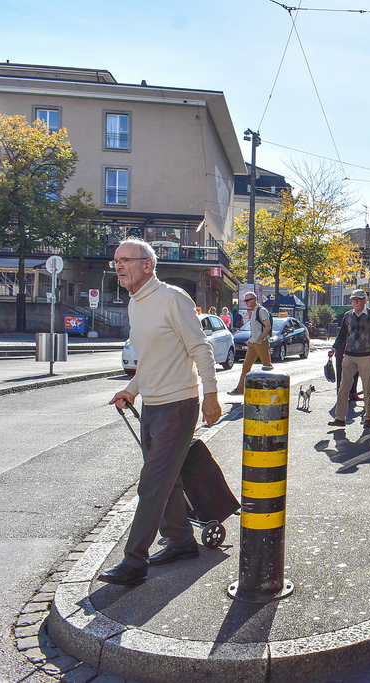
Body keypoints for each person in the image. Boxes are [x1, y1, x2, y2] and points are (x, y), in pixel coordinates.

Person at [103, 238, 221, 586]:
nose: (119, 266)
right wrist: (131, 390)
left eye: (125, 260)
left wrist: (211, 396)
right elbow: (150, 360)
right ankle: (182, 540)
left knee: (151, 484)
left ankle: (134, 561)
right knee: (167, 480)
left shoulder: (173, 298)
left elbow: (201, 350)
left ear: (147, 265)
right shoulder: (134, 304)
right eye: (116, 262)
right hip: (152, 405)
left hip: (179, 405)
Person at [328, 289, 370, 429]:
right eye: (353, 299)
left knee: (367, 388)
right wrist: (334, 347)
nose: (355, 302)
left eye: (359, 299)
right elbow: (342, 335)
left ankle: (368, 418)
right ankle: (340, 418)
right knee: (343, 387)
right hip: (349, 355)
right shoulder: (347, 316)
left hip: (367, 356)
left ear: (365, 301)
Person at [229, 291, 272, 395]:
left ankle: (271, 389)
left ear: (254, 300)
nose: (246, 302)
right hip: (253, 344)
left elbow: (268, 326)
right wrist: (252, 339)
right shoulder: (254, 311)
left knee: (267, 366)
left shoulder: (261, 311)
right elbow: (255, 329)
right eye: (245, 300)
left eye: (247, 300)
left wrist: (259, 339)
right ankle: (240, 389)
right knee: (246, 366)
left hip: (261, 343)